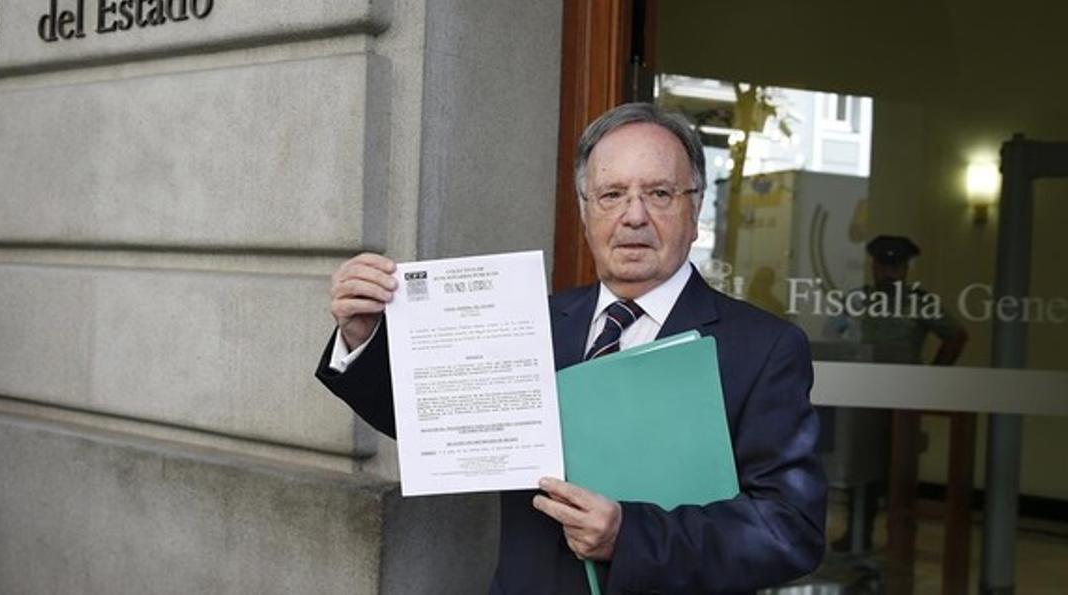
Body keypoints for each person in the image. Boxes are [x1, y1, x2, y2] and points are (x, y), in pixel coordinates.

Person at [315, 102, 827, 594]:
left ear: (694, 213)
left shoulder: (764, 348)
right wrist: (362, 336)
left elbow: (788, 530)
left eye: (660, 194)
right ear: (585, 214)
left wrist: (630, 535)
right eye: (611, 195)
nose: (634, 216)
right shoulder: (527, 322)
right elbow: (430, 418)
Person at [828, 235, 968, 552]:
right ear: (873, 266)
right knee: (859, 467)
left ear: (905, 269)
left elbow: (956, 336)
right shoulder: (858, 300)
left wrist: (930, 379)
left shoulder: (920, 302)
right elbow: (833, 334)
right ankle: (857, 532)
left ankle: (900, 536)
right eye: (883, 265)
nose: (888, 271)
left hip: (901, 399)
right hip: (861, 397)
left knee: (898, 470)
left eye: (895, 265)